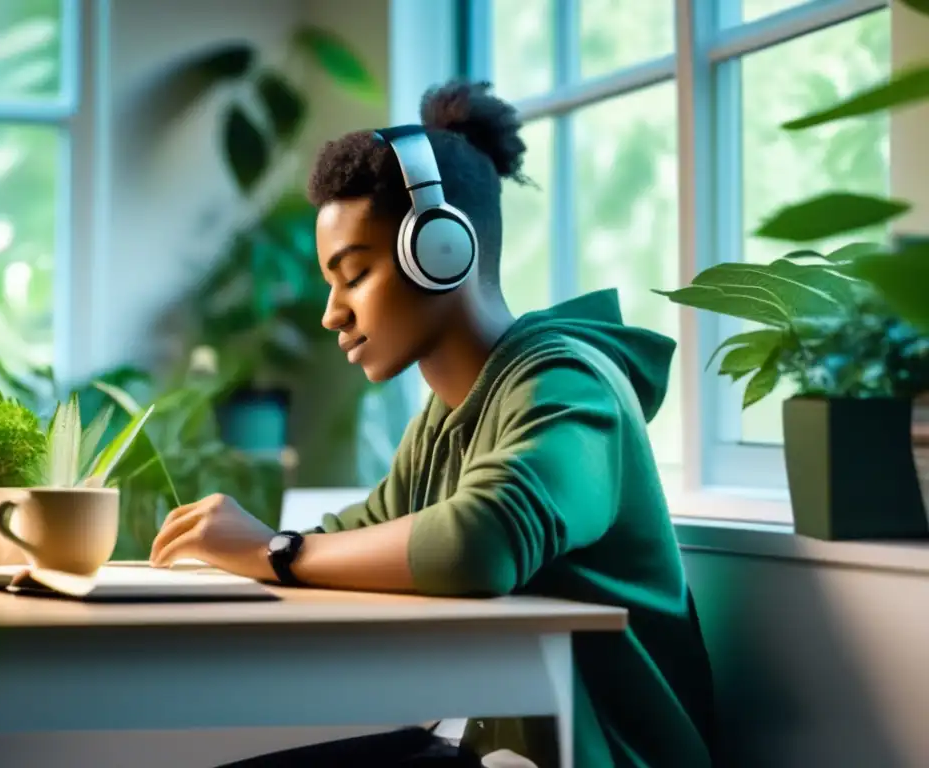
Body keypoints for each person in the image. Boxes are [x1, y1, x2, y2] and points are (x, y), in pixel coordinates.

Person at [150, 80, 720, 768]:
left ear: (442, 248)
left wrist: (273, 552)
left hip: (595, 754)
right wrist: (231, 550)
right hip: (498, 747)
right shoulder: (447, 415)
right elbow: (356, 535)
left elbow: (479, 542)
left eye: (353, 274)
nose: (333, 312)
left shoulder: (571, 387)